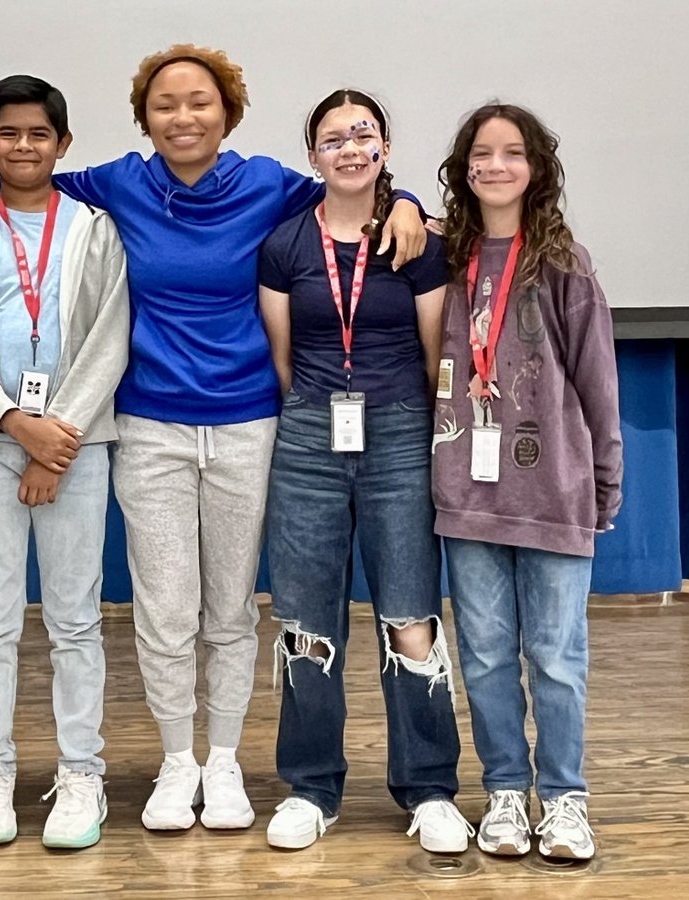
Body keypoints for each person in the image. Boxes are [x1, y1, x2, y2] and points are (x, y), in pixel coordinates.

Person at [0, 44, 427, 833]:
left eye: (199, 102)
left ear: (226, 111)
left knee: (231, 609)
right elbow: (29, 178)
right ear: (146, 118)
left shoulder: (268, 183)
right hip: (148, 426)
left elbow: (353, 187)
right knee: (165, 610)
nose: (183, 117)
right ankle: (178, 762)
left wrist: (404, 198)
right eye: (165, 104)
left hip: (248, 423)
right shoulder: (122, 184)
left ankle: (227, 762)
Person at [258, 89, 469, 853]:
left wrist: (396, 420)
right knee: (307, 622)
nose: (349, 148)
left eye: (364, 134)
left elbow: (432, 352)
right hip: (312, 433)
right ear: (312, 155)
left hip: (400, 431)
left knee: (411, 617)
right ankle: (311, 788)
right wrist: (319, 415)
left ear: (383, 147)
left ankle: (430, 788)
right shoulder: (284, 245)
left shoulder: (416, 243)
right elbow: (284, 360)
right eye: (333, 138)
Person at [0, 75, 128, 850]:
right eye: (6, 134)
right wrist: (15, 422)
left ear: (63, 145)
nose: (22, 146)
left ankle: (82, 771)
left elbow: (111, 337)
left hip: (75, 449)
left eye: (38, 135)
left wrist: (57, 436)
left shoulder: (96, 229)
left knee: (78, 619)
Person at [432, 103, 622, 861]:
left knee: (556, 656)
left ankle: (566, 798)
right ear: (464, 167)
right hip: (467, 494)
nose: (496, 165)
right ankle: (507, 789)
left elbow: (599, 386)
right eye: (482, 152)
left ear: (536, 168)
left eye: (513, 152)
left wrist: (604, 483)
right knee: (480, 654)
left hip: (553, 495)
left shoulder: (565, 264)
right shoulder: (444, 262)